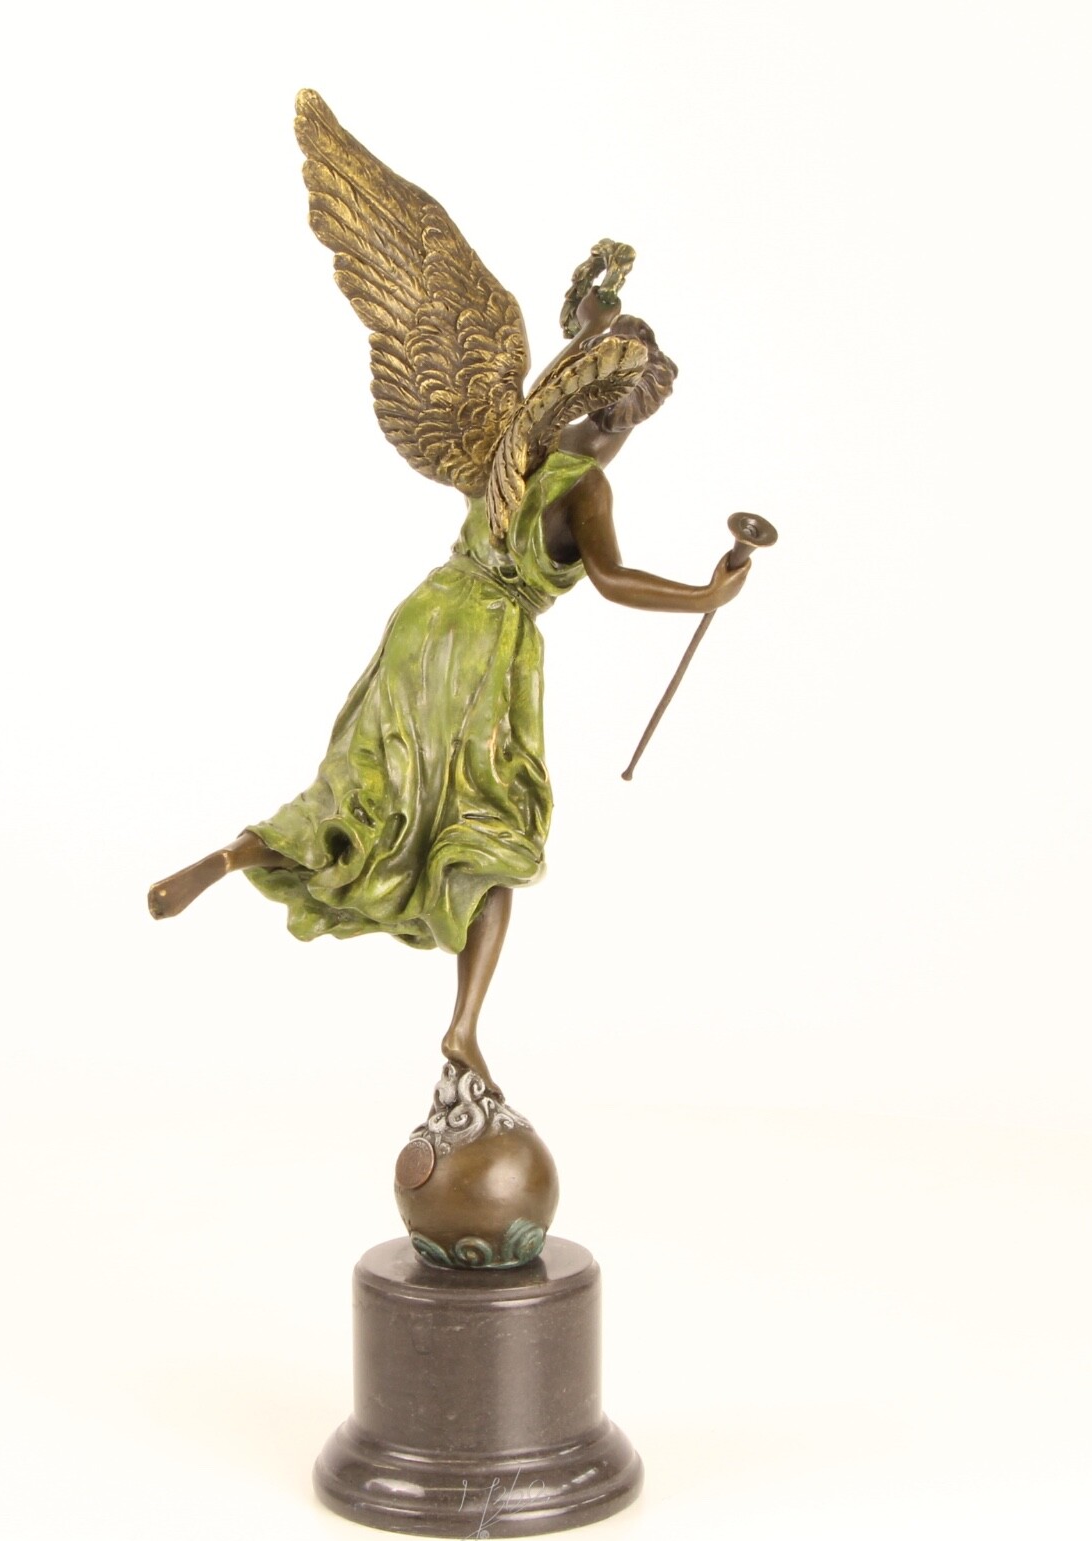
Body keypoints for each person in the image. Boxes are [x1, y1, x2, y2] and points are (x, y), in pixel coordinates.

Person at [148, 290, 749, 1094]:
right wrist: (705, 595)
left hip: (425, 617)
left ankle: (234, 854)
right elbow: (611, 579)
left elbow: (554, 391)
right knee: (493, 834)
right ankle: (463, 1026)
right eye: (635, 416)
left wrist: (590, 330)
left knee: (365, 788)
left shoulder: (514, 443)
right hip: (487, 644)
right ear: (624, 414)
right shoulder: (585, 486)